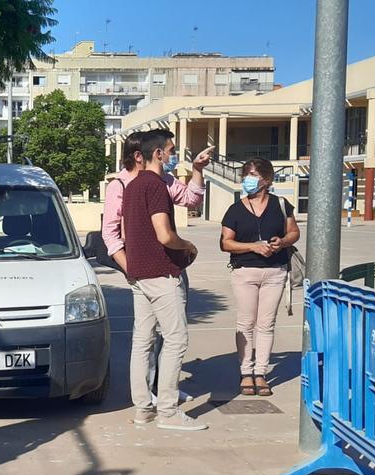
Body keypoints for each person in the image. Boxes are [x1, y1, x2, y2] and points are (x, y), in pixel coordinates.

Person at [103, 131, 211, 408]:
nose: (172, 155)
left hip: (159, 267)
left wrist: (197, 171)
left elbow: (191, 199)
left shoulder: (159, 181)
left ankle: (154, 396)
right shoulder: (127, 185)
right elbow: (113, 236)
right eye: (169, 150)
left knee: (153, 336)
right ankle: (165, 405)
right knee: (171, 338)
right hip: (153, 269)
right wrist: (132, 268)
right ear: (147, 154)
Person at [219, 157, 301, 397]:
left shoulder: (281, 204)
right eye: (245, 175)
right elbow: (226, 243)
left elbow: (294, 232)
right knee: (245, 323)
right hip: (245, 272)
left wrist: (282, 241)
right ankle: (246, 372)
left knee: (267, 324)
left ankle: (261, 373)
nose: (247, 180)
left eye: (252, 175)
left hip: (275, 271)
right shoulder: (235, 209)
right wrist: (253, 247)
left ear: (266, 179)